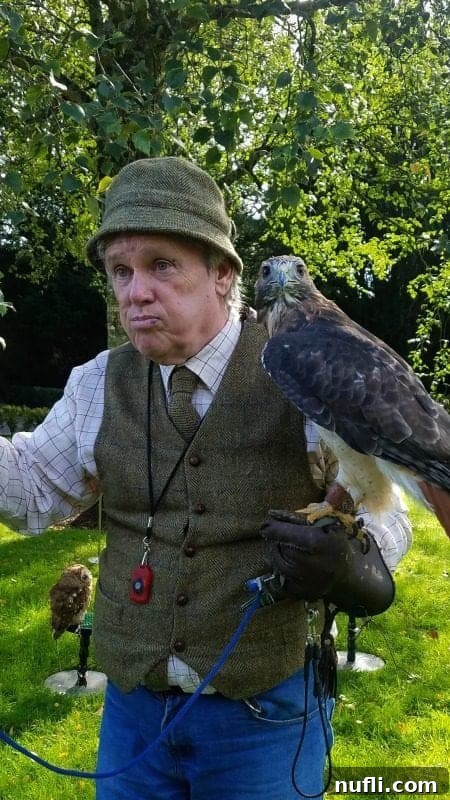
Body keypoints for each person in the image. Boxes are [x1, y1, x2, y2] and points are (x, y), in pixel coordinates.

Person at [0, 157, 411, 799]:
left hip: (266, 717)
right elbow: (31, 489)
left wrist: (353, 558)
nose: (136, 291)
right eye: (121, 271)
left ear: (222, 275)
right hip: (134, 717)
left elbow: (385, 508)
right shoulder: (95, 385)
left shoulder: (300, 366)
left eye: (162, 265)